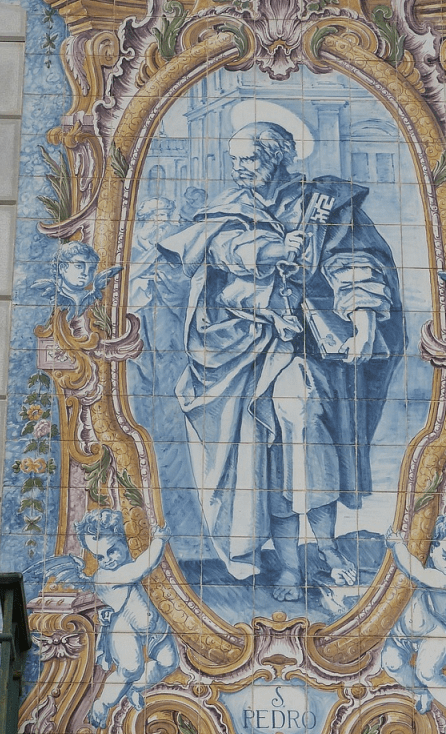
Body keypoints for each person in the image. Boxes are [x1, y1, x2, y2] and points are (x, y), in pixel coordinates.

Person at [158, 121, 404, 601]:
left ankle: (326, 548)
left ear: (277, 156)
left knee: (304, 423)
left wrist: (363, 322)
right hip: (240, 350)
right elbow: (220, 252)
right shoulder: (229, 207)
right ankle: (290, 565)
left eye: (248, 158)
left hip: (304, 347)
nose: (239, 167)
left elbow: (356, 261)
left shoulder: (324, 201)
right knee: (264, 456)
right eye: (234, 159)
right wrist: (274, 253)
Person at [50, 509, 179, 728]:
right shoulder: (106, 576)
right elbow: (141, 567)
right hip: (124, 627)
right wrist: (160, 539)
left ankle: (137, 688)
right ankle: (102, 704)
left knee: (168, 662)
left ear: (123, 540)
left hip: (152, 625)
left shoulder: (122, 566)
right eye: (99, 557)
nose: (107, 560)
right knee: (130, 668)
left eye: (112, 551)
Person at [382, 513, 446, 733]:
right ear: (432, 548)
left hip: (434, 636)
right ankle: (421, 692)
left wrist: (397, 545)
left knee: (428, 673)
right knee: (392, 663)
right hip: (404, 632)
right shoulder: (434, 567)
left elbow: (417, 572)